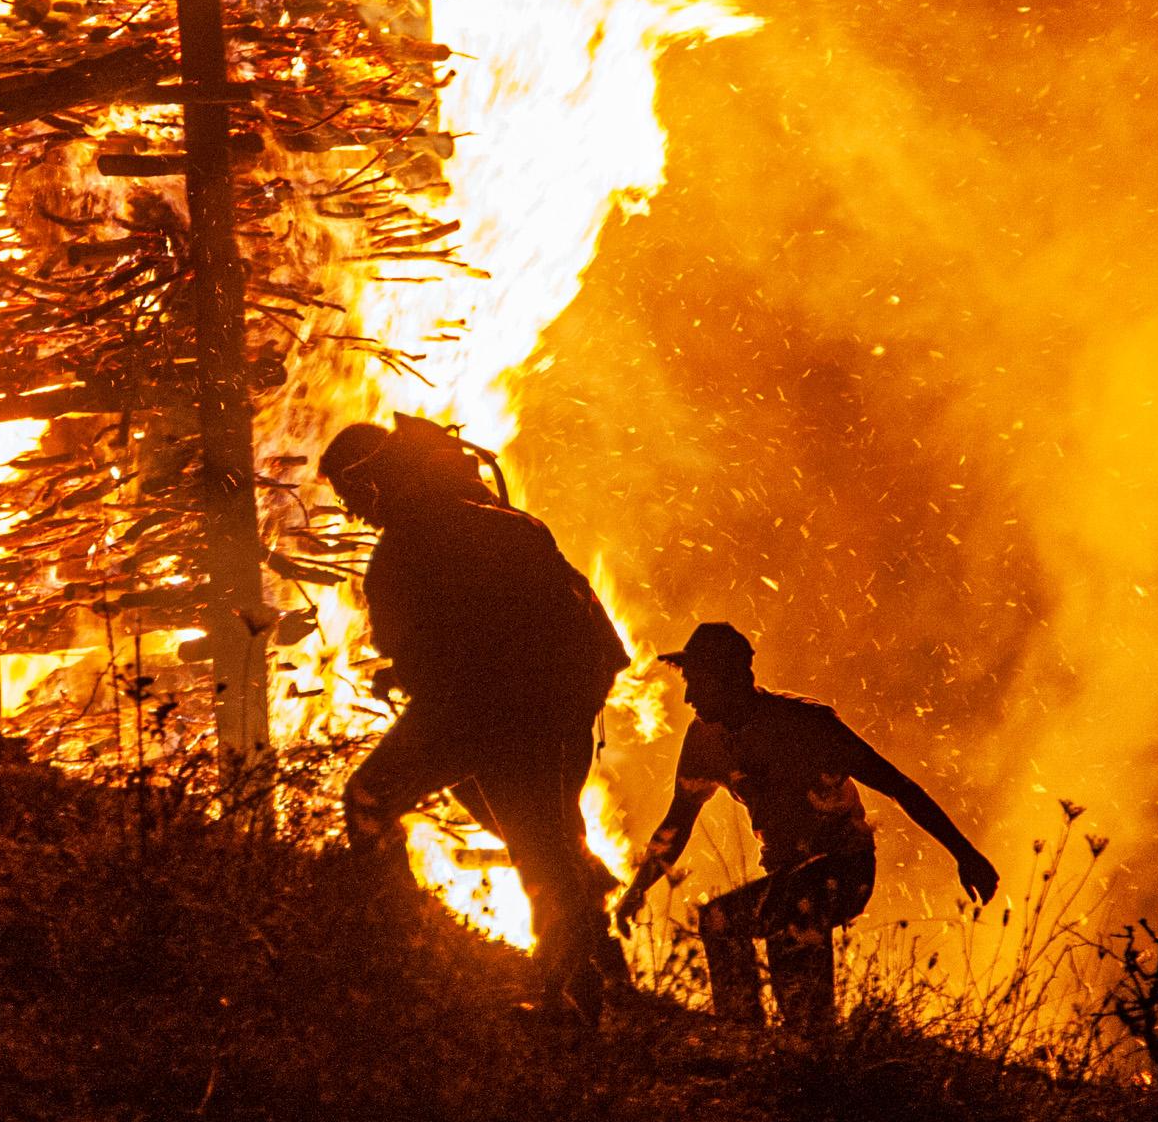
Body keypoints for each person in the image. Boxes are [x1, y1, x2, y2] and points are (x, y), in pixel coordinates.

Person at [324, 416, 635, 1029]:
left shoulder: (404, 551)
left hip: (484, 709)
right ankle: (588, 964)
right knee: (543, 835)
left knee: (369, 797)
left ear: (372, 481)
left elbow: (426, 664)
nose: (348, 508)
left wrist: (417, 684)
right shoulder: (509, 524)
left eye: (348, 491)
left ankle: (393, 937)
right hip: (562, 701)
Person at [615, 621, 1000, 1032]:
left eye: (699, 683)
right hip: (786, 876)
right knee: (724, 924)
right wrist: (637, 889)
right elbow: (678, 822)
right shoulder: (704, 740)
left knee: (789, 914)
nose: (689, 697)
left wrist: (965, 854)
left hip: (845, 868)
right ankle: (745, 1033)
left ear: (733, 679)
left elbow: (897, 786)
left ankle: (804, 1041)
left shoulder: (805, 724)